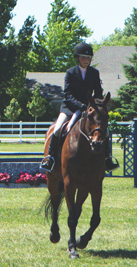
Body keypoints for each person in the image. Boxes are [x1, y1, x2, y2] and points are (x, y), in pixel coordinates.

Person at [40, 42, 120, 173]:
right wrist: (82, 106)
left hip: (89, 109)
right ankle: (50, 158)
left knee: (105, 132)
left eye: (88, 58)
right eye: (83, 57)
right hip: (70, 108)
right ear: (78, 58)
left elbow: (98, 93)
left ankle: (107, 160)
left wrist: (95, 105)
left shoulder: (94, 73)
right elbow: (68, 94)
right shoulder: (70, 73)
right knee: (57, 129)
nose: (86, 60)